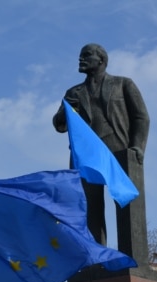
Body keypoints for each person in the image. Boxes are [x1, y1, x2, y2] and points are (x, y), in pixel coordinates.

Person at [52, 43, 150, 246]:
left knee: (127, 206)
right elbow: (60, 125)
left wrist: (137, 146)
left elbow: (141, 117)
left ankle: (133, 259)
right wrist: (66, 109)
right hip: (86, 156)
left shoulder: (123, 84)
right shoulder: (74, 92)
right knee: (89, 208)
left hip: (120, 150)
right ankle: (96, 259)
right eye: (80, 56)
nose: (81, 59)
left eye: (86, 55)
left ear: (101, 60)